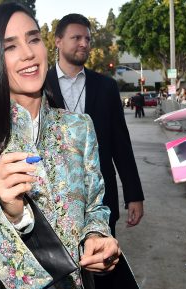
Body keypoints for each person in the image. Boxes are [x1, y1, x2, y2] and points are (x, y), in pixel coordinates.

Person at [0, 4, 120, 288]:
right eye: (9, 47)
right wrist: (5, 214)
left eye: (34, 38)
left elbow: (96, 208)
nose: (28, 53)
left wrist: (97, 237)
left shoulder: (79, 128)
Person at [46, 13, 144, 238]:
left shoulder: (106, 87)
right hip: (51, 202)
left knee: (102, 267)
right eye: (76, 37)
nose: (84, 44)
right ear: (58, 41)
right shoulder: (40, 86)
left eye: (88, 39)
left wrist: (133, 195)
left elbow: (121, 144)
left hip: (101, 200)